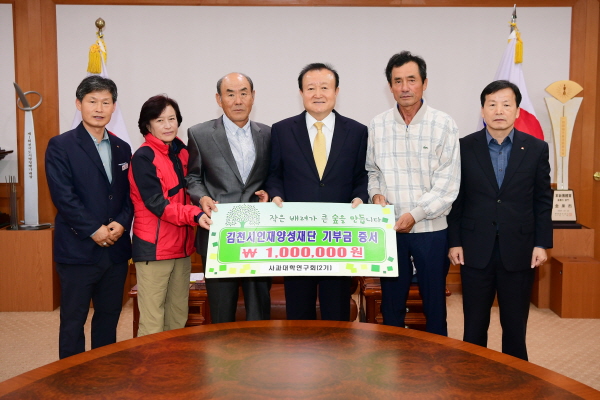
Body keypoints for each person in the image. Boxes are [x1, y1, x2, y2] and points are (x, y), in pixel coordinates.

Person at [447, 80, 552, 360]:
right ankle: (472, 374)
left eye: (506, 104)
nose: (499, 110)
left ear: (517, 111)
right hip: (474, 248)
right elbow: (456, 198)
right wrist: (454, 241)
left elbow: (543, 199)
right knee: (474, 325)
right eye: (492, 104)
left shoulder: (536, 148)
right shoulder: (463, 147)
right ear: (482, 110)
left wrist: (541, 243)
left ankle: (516, 377)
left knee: (515, 326)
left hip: (519, 249)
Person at [264, 63, 368, 321]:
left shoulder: (357, 131)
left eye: (324, 87)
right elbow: (274, 174)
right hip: (296, 237)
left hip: (339, 237)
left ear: (336, 91)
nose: (318, 94)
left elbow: (362, 176)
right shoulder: (282, 130)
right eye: (311, 88)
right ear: (301, 92)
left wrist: (360, 196)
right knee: (299, 313)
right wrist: (275, 194)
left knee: (337, 312)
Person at [366, 51, 461, 336]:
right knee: (391, 305)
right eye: (398, 81)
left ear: (424, 83)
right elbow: (372, 171)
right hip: (390, 230)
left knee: (434, 305)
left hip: (431, 230)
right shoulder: (378, 124)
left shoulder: (444, 124)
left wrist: (415, 214)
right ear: (390, 86)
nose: (405, 87)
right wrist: (376, 195)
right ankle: (393, 357)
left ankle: (434, 358)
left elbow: (448, 183)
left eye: (411, 80)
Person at [45, 75, 133, 359]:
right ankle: (71, 377)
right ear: (78, 104)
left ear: (114, 107)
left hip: (115, 250)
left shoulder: (123, 147)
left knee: (109, 317)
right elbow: (63, 196)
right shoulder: (61, 145)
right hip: (78, 249)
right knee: (73, 320)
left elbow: (129, 195)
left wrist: (122, 223)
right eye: (92, 101)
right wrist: (94, 229)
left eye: (105, 102)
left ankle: (104, 373)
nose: (99, 108)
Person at [186, 73, 272, 323]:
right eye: (230, 94)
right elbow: (193, 178)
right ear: (219, 99)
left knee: (259, 313)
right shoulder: (199, 134)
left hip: (258, 235)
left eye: (244, 93)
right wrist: (202, 197)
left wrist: (270, 192)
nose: (238, 100)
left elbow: (274, 176)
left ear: (253, 97)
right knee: (222, 314)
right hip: (219, 235)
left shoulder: (268, 134)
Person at [129, 95, 211, 336]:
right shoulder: (143, 157)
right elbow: (158, 204)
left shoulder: (182, 151)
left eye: (172, 119)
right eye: (159, 120)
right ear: (148, 125)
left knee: (178, 317)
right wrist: (196, 214)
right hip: (154, 250)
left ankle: (173, 362)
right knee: (153, 321)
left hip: (182, 248)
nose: (167, 125)